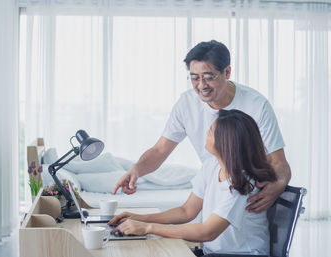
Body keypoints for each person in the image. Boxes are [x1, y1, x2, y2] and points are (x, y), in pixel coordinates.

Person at [112, 40, 291, 213]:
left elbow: (278, 162)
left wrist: (279, 184)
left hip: (245, 196)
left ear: (227, 72)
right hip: (214, 187)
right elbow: (160, 150)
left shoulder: (256, 105)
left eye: (208, 77)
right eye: (195, 78)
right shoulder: (187, 103)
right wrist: (136, 169)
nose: (201, 86)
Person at [109, 109, 276, 255]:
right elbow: (186, 211)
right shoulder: (212, 165)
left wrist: (147, 228)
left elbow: (207, 232)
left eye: (210, 131)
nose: (206, 133)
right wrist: (141, 219)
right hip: (212, 252)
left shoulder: (243, 184)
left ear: (225, 141)